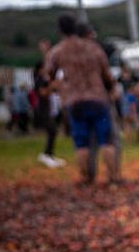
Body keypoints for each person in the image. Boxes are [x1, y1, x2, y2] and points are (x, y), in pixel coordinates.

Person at [45, 13, 118, 185]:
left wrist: (62, 85)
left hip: (75, 100)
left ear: (60, 30)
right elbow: (107, 74)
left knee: (81, 142)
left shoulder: (58, 51)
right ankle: (112, 177)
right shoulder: (92, 48)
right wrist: (110, 89)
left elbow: (48, 74)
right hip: (98, 98)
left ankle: (85, 178)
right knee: (106, 140)